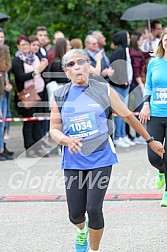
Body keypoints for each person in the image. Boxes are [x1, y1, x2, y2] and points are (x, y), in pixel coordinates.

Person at [50, 49, 164, 252]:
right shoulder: (60, 95)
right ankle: (81, 230)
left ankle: (94, 250)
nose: (76, 67)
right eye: (71, 64)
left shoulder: (104, 90)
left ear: (88, 66)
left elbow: (128, 116)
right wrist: (66, 140)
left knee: (94, 208)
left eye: (80, 62)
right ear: (66, 71)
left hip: (101, 158)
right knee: (75, 214)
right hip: (73, 160)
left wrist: (150, 140)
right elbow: (54, 130)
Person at [139, 28, 167, 207]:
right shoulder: (154, 63)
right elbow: (148, 85)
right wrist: (146, 104)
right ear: (162, 42)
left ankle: (166, 193)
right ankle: (162, 171)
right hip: (155, 113)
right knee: (154, 156)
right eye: (166, 39)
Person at [12, 35, 48, 158]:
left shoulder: (35, 57)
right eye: (22, 45)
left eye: (27, 44)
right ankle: (29, 147)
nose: (25, 47)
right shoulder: (17, 60)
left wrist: (43, 66)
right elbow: (21, 77)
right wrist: (36, 71)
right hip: (27, 95)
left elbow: (42, 71)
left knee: (38, 121)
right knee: (29, 121)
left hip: (40, 91)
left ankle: (38, 147)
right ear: (18, 46)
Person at [110, 30, 134, 147]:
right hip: (119, 85)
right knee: (120, 112)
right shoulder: (119, 51)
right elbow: (117, 67)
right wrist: (122, 80)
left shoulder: (124, 50)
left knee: (125, 112)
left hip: (125, 84)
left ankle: (123, 134)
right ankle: (118, 136)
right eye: (128, 37)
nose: (129, 39)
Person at [129, 33, 150, 144]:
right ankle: (138, 135)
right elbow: (136, 71)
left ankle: (140, 134)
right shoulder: (134, 54)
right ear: (136, 41)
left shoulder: (139, 52)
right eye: (142, 39)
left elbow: (147, 55)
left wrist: (152, 50)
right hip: (137, 83)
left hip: (138, 83)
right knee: (139, 109)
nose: (143, 41)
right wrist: (141, 86)